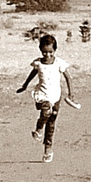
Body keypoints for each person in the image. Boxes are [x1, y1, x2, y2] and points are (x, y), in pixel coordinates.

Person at [16, 33, 77, 164]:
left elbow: (68, 78)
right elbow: (33, 73)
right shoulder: (38, 63)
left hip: (56, 95)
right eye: (44, 52)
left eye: (50, 52)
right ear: (40, 50)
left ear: (55, 50)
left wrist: (71, 94)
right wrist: (25, 86)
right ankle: (38, 128)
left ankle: (48, 149)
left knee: (51, 122)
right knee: (46, 110)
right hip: (42, 94)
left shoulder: (59, 63)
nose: (47, 55)